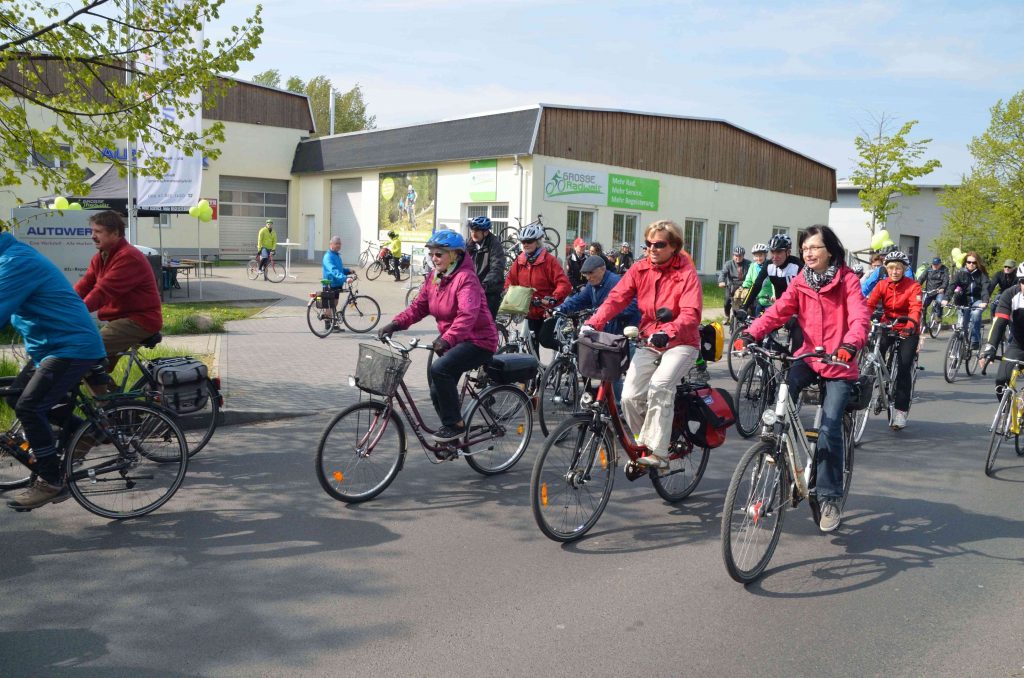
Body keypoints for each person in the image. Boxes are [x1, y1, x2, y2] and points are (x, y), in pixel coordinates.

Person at [734, 225, 870, 533]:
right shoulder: (801, 281)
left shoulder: (847, 280)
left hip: (838, 362)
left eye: (815, 248)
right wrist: (751, 331)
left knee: (830, 424)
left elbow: (860, 319)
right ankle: (778, 442)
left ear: (830, 251)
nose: (808, 253)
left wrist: (850, 345)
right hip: (809, 355)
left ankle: (830, 497)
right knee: (785, 389)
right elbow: (779, 311)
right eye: (805, 248)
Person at [0, 231, 107, 510]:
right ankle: (87, 432)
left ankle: (51, 481)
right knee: (15, 396)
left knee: (29, 407)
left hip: (71, 347)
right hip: (50, 348)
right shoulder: (9, 258)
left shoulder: (15, 262)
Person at [584, 219, 702, 469]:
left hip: (682, 342)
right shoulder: (640, 269)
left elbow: (691, 314)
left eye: (659, 244)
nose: (652, 249)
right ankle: (645, 444)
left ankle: (660, 454)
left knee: (660, 385)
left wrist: (668, 332)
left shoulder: (686, 274)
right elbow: (616, 298)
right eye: (648, 244)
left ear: (674, 246)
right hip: (650, 339)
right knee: (629, 396)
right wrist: (593, 323)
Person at [376, 230, 498, 443]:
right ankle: (451, 436)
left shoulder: (466, 279)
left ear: (455, 254)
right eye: (432, 254)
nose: (434, 258)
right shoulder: (435, 277)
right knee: (436, 389)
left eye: (439, 254)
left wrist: (447, 339)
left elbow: (467, 315)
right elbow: (418, 307)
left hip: (479, 341)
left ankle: (455, 427)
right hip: (454, 341)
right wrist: (395, 324)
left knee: (439, 369)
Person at [74, 211, 163, 373]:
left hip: (139, 320)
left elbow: (102, 292)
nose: (92, 236)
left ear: (115, 233)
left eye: (98, 231)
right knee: (92, 369)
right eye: (92, 231)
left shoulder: (128, 257)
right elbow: (84, 286)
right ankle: (108, 397)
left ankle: (108, 398)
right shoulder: (100, 257)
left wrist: (72, 312)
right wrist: (61, 305)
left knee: (86, 353)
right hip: (120, 320)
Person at [865, 250, 922, 430]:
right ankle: (879, 381)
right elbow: (869, 305)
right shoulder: (882, 285)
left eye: (898, 268)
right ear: (886, 269)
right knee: (873, 353)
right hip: (888, 325)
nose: (894, 271)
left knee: (904, 367)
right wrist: (862, 321)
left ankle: (900, 411)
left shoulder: (913, 287)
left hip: (908, 328)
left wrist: (910, 326)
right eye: (891, 268)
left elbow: (915, 308)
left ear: (904, 269)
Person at [505, 224, 572, 353]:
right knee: (531, 344)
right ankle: (536, 373)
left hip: (548, 309)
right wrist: (508, 291)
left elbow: (564, 284)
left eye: (529, 241)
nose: (525, 244)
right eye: (523, 242)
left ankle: (567, 353)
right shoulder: (520, 260)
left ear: (538, 242)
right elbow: (510, 280)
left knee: (544, 339)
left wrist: (553, 298)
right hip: (530, 309)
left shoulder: (549, 261)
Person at [980, 261, 1024, 400]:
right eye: (1023, 281)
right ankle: (1004, 416)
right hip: (1019, 344)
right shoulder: (1010, 294)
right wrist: (990, 348)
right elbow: (999, 323)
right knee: (1001, 380)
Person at [943, 252, 990, 350]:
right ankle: (957, 348)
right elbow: (952, 286)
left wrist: (985, 301)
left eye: (974, 262)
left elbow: (985, 288)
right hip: (963, 301)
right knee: (962, 326)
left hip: (977, 300)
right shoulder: (960, 273)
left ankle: (975, 340)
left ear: (977, 263)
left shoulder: (982, 275)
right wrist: (946, 299)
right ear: (965, 263)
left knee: (976, 314)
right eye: (969, 262)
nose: (971, 264)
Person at [465, 216, 506, 318]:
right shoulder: (470, 244)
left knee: (486, 324)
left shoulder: (494, 245)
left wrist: (485, 284)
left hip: (490, 290)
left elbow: (497, 267)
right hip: (472, 289)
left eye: (477, 231)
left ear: (486, 232)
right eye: (472, 230)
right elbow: (459, 263)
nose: (473, 233)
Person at [321, 236, 354, 330]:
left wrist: (348, 271)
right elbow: (333, 270)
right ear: (331, 244)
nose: (339, 245)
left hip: (337, 284)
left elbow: (339, 269)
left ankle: (333, 324)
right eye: (336, 244)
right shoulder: (328, 256)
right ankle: (328, 325)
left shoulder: (336, 255)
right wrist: (345, 278)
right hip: (330, 283)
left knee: (334, 304)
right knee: (329, 305)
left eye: (339, 244)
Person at [741, 243, 774, 317]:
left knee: (768, 320)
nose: (758, 258)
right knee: (756, 319)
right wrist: (744, 288)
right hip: (757, 299)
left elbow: (774, 283)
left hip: (769, 300)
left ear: (765, 255)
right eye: (756, 256)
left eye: (760, 255)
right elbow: (748, 280)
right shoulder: (753, 266)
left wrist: (775, 295)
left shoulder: (771, 266)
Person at [718, 245, 750, 322]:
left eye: (740, 256)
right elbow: (723, 273)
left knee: (747, 301)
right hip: (731, 285)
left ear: (743, 256)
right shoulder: (728, 264)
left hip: (744, 285)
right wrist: (721, 281)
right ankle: (727, 316)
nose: (738, 257)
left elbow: (752, 274)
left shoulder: (749, 264)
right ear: (733, 256)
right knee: (727, 302)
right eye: (736, 255)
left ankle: (746, 316)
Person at [918, 257, 949, 326]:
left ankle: (939, 316)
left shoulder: (945, 270)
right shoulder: (928, 270)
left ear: (940, 264)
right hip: (929, 291)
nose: (935, 266)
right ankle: (923, 322)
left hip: (939, 291)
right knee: (923, 305)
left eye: (937, 264)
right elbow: (921, 278)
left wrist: (942, 288)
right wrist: (916, 286)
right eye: (934, 264)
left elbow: (946, 281)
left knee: (939, 301)